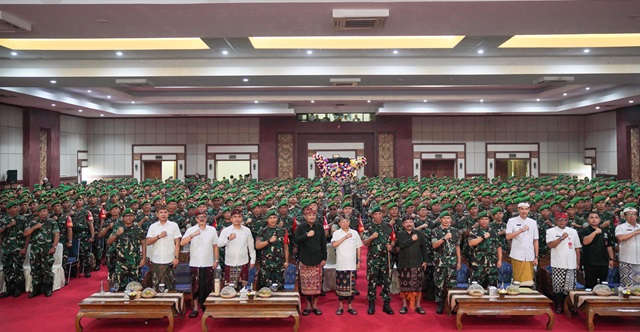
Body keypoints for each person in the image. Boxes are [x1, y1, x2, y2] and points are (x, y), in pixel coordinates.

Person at [181, 209, 219, 318]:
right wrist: (192, 235)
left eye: (204, 217)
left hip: (208, 263)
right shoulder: (191, 229)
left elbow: (215, 246)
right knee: (195, 287)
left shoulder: (212, 230)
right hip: (195, 262)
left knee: (207, 286)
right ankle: (196, 308)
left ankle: (207, 308)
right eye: (199, 217)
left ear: (206, 218)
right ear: (196, 219)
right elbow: (182, 242)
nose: (201, 219)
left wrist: (216, 260)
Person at [294, 204, 327, 316]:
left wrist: (324, 258)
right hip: (305, 259)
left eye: (313, 215)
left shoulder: (319, 227)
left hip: (317, 259)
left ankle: (315, 305)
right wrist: (306, 235)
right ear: (305, 216)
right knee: (306, 285)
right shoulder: (301, 227)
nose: (312, 217)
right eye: (309, 215)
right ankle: (308, 305)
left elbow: (323, 244)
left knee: (317, 285)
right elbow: (296, 241)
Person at [546, 212, 581, 314]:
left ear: (567, 221)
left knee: (570, 287)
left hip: (571, 263)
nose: (562, 222)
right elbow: (550, 245)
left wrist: (578, 262)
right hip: (558, 263)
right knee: (558, 287)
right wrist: (561, 238)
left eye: (564, 220)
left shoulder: (573, 231)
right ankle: (559, 305)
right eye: (560, 220)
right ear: (556, 221)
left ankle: (570, 306)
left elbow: (577, 248)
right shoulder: (550, 231)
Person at [362, 206, 395, 315]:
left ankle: (386, 303)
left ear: (383, 214)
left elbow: (393, 240)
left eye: (379, 214)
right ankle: (371, 303)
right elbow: (365, 243)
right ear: (372, 215)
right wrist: (371, 237)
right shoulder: (368, 227)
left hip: (386, 258)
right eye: (375, 214)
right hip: (373, 259)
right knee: (372, 281)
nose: (378, 216)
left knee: (386, 281)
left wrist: (391, 246)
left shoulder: (388, 226)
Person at [23, 205, 59, 298]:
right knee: (35, 270)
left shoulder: (52, 222)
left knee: (46, 269)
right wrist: (35, 227)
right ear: (38, 213)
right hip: (35, 250)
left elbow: (56, 235)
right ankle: (36, 288)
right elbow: (26, 233)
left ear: (47, 212)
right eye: (41, 211)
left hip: (47, 249)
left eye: (44, 211)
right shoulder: (33, 222)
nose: (43, 213)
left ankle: (48, 288)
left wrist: (54, 247)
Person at [106, 208, 146, 292]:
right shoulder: (118, 228)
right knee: (119, 287)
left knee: (136, 287)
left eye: (131, 216)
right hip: (121, 262)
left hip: (135, 262)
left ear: (134, 217)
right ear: (123, 218)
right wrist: (117, 234)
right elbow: (109, 242)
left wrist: (144, 258)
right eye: (126, 216)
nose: (128, 218)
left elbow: (144, 243)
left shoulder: (138, 229)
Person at [396, 214, 429, 315]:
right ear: (403, 224)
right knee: (404, 286)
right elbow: (401, 245)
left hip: (417, 263)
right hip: (404, 263)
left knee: (418, 286)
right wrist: (412, 239)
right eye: (406, 222)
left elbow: (424, 248)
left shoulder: (419, 234)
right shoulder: (400, 234)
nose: (409, 224)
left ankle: (418, 305)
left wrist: (425, 261)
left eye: (410, 222)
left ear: (413, 223)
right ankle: (404, 305)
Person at [217, 209, 256, 290]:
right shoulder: (226, 230)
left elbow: (251, 247)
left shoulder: (247, 230)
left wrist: (252, 261)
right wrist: (228, 238)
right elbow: (219, 244)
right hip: (230, 262)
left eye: (239, 217)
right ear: (231, 219)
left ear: (242, 218)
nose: (237, 219)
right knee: (230, 289)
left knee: (244, 288)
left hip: (243, 262)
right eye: (235, 217)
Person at [331, 216, 362, 316]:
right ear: (339, 223)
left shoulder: (354, 233)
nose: (345, 223)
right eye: (342, 222)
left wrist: (359, 261)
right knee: (340, 287)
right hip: (341, 264)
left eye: (347, 221)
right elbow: (334, 244)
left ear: (349, 222)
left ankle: (350, 306)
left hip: (352, 264)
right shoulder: (336, 233)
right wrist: (345, 237)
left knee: (351, 288)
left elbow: (358, 247)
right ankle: (340, 306)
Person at [146, 205, 182, 291]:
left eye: (165, 212)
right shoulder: (153, 226)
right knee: (156, 286)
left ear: (168, 214)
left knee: (170, 287)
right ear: (157, 214)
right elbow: (148, 242)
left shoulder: (174, 225)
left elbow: (177, 243)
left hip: (170, 260)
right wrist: (158, 236)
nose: (163, 214)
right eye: (161, 212)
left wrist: (176, 257)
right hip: (156, 260)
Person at [432, 211, 461, 314]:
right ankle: (439, 303)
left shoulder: (455, 231)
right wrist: (444, 238)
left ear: (451, 220)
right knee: (439, 284)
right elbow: (434, 245)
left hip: (452, 262)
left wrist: (459, 261)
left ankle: (452, 304)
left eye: (448, 218)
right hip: (439, 262)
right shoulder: (435, 231)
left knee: (452, 284)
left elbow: (457, 246)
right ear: (440, 219)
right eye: (444, 218)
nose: (446, 220)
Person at [0, 201, 29, 298]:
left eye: (14, 207)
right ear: (7, 210)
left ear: (18, 208)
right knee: (7, 268)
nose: (12, 210)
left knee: (18, 268)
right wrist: (8, 225)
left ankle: (18, 288)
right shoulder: (3, 220)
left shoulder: (23, 219)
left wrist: (25, 248)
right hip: (6, 248)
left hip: (19, 248)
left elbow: (27, 235)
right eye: (10, 208)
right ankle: (9, 288)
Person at [506, 202, 539, 287]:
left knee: (529, 282)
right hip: (517, 254)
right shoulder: (512, 221)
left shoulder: (533, 222)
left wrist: (536, 256)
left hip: (530, 255)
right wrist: (521, 230)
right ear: (518, 209)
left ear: (529, 210)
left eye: (526, 209)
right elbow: (508, 236)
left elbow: (535, 240)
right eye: (522, 209)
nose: (524, 211)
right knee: (518, 282)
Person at [579, 212, 614, 289]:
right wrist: (595, 232)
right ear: (588, 220)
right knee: (590, 285)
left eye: (596, 217)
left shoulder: (605, 231)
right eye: (591, 218)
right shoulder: (584, 231)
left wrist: (611, 259)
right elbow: (585, 241)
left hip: (603, 262)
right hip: (589, 262)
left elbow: (609, 246)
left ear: (599, 219)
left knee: (603, 285)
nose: (594, 219)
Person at [255, 210, 289, 290]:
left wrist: (286, 261)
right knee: (265, 287)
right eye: (270, 218)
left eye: (274, 217)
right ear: (267, 219)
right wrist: (268, 241)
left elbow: (285, 246)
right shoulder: (262, 231)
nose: (273, 220)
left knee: (279, 287)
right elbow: (257, 246)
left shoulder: (283, 231)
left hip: (279, 263)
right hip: (266, 263)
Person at [468, 211, 502, 288]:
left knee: (493, 287)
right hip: (478, 264)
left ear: (489, 220)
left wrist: (499, 260)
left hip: (492, 264)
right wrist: (482, 237)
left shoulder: (493, 231)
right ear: (478, 221)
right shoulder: (474, 231)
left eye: (486, 219)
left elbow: (498, 246)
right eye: (482, 219)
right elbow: (471, 243)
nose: (484, 221)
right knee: (476, 287)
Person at [69, 196, 95, 277]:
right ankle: (74, 270)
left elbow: (90, 224)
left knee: (85, 253)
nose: (78, 202)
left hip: (84, 235)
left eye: (80, 200)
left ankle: (87, 270)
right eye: (77, 200)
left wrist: (92, 236)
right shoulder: (71, 212)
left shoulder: (86, 212)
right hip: (74, 235)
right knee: (74, 253)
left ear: (83, 202)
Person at [614, 207, 640, 287]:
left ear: (637, 216)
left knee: (638, 287)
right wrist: (636, 232)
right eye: (628, 214)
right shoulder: (621, 227)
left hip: (639, 261)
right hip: (626, 261)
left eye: (633, 214)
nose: (631, 216)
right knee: (626, 286)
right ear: (625, 216)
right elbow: (621, 238)